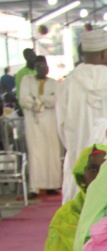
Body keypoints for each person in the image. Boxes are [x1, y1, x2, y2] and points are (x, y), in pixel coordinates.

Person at [56, 30, 107, 202]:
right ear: (105, 53)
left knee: (77, 206)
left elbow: (61, 126)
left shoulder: (67, 86)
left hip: (78, 157)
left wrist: (76, 147)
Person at [18, 55, 61, 196]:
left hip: (50, 123)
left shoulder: (54, 83)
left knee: (52, 152)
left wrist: (39, 99)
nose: (42, 69)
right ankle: (34, 187)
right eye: (39, 66)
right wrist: (39, 102)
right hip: (33, 123)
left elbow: (56, 99)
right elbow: (24, 99)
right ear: (35, 68)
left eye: (43, 66)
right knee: (35, 153)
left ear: (48, 68)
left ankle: (52, 185)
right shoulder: (27, 80)